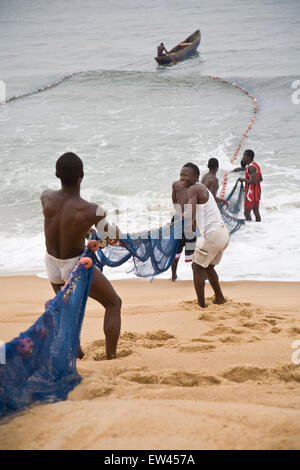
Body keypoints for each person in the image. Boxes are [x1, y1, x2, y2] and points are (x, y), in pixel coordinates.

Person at [41, 152, 121, 360]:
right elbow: (109, 239)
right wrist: (115, 232)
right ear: (82, 175)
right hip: (75, 266)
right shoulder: (93, 210)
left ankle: (77, 353)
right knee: (114, 304)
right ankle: (111, 357)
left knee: (67, 309)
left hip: (51, 264)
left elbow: (63, 224)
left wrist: (86, 233)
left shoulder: (46, 197)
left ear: (57, 174)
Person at [180, 163, 230, 308]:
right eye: (180, 175)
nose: (182, 178)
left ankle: (201, 305)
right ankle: (219, 298)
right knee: (207, 267)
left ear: (195, 177)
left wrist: (177, 220)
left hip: (213, 235)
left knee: (196, 267)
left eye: (185, 175)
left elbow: (190, 214)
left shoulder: (194, 188)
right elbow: (195, 219)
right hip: (223, 234)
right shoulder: (201, 188)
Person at [171, 172, 196, 281]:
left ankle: (173, 275)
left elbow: (175, 202)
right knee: (193, 250)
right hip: (190, 221)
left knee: (176, 248)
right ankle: (197, 275)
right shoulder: (195, 186)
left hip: (177, 220)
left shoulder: (175, 184)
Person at [238, 149, 262, 222]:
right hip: (257, 193)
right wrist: (248, 187)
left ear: (249, 157)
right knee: (256, 212)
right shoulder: (256, 165)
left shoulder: (250, 167)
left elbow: (254, 181)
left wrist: (243, 180)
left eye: (244, 155)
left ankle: (250, 229)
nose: (243, 157)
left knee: (246, 212)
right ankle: (258, 227)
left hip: (251, 195)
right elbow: (260, 178)